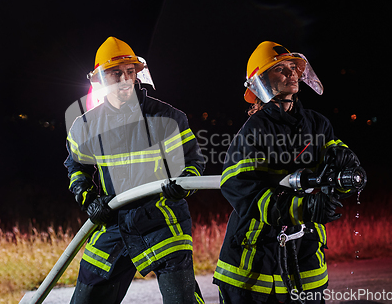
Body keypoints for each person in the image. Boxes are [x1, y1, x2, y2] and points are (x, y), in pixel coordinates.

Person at [212, 41, 365, 303]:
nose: (292, 73)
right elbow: (239, 186)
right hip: (254, 257)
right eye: (281, 69)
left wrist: (347, 171)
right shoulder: (254, 130)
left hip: (304, 250)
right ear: (263, 81)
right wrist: (300, 208)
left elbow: (334, 165)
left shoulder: (317, 124)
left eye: (293, 67)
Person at [64, 36, 205, 304]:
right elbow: (75, 165)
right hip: (114, 221)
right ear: (100, 80)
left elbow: (193, 162)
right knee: (86, 298)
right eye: (116, 74)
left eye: (130, 72)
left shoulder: (168, 118)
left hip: (163, 220)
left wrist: (183, 184)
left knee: (181, 299)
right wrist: (90, 199)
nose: (125, 79)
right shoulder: (87, 126)